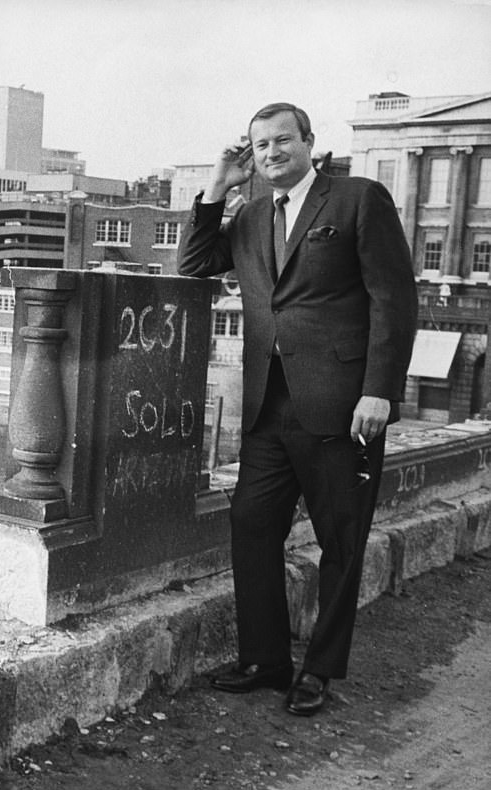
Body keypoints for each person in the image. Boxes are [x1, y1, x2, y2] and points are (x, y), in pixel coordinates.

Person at [178, 102, 417, 716]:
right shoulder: (252, 214)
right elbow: (195, 265)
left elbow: (393, 298)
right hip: (267, 406)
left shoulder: (359, 199)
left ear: (309, 142)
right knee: (251, 527)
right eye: (260, 146)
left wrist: (380, 390)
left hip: (341, 406)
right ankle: (265, 659)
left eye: (283, 140)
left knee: (341, 539)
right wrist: (216, 186)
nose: (271, 153)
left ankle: (319, 669)